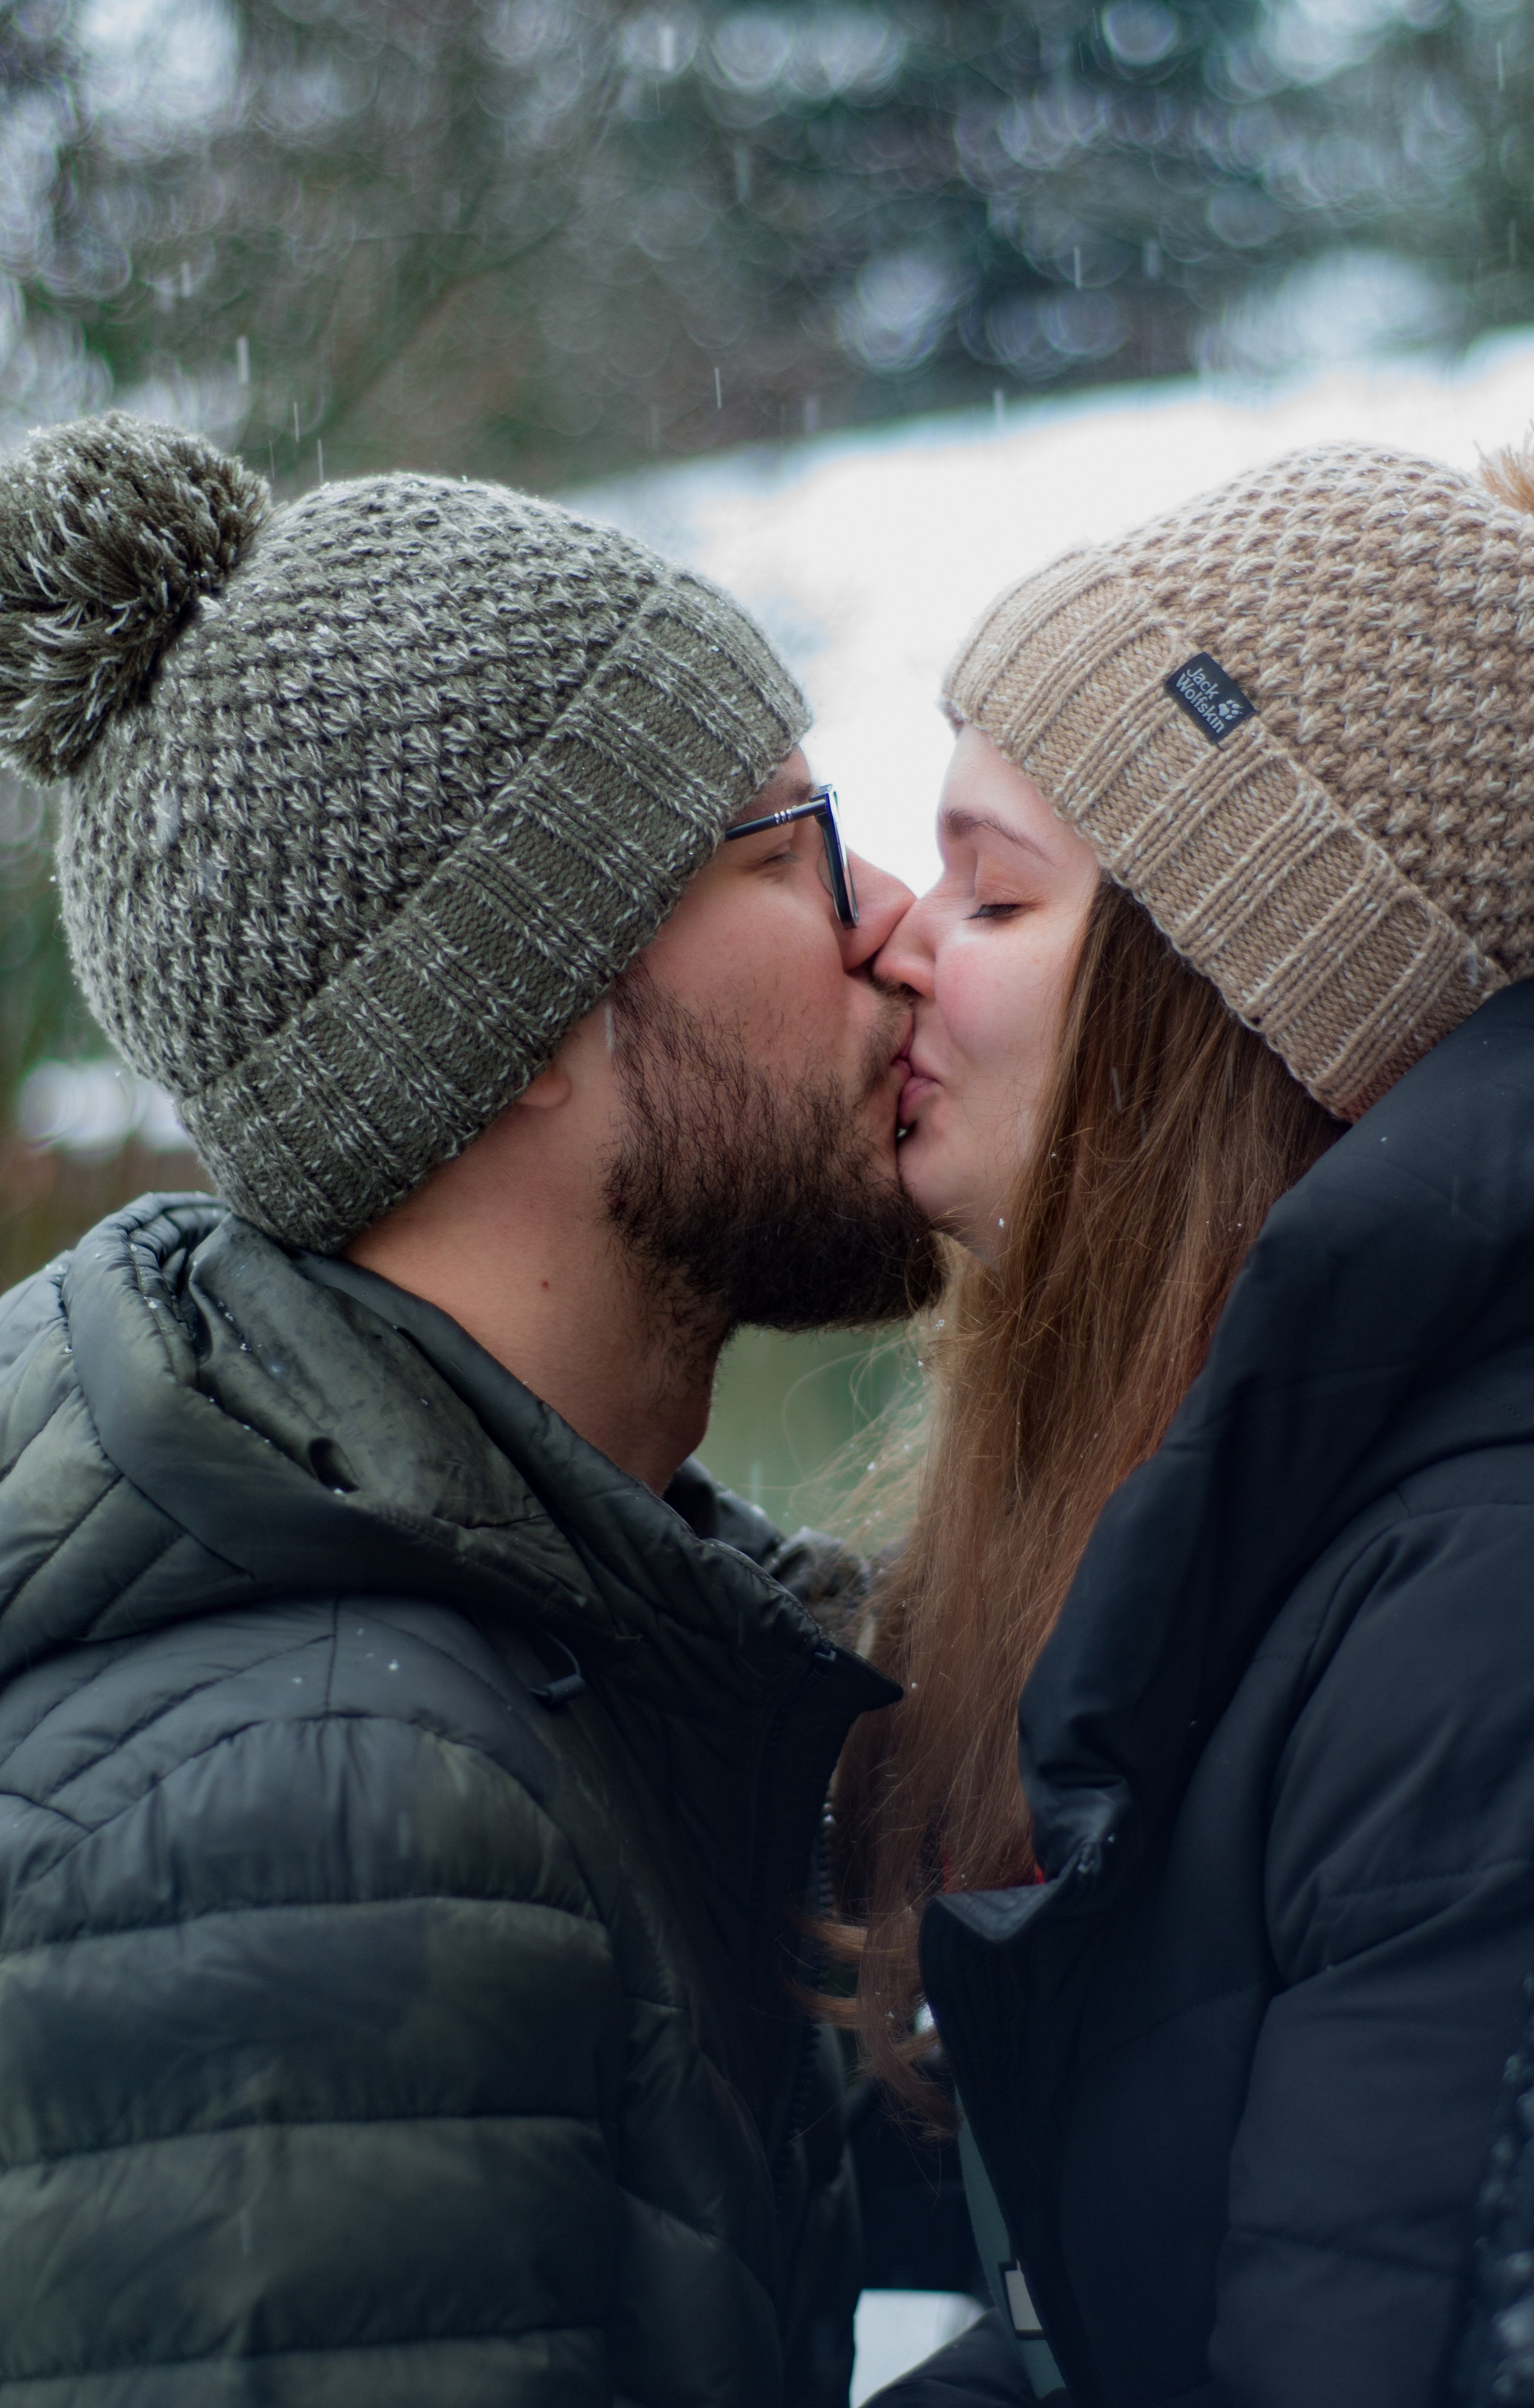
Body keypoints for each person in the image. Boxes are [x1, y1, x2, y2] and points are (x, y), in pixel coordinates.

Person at [0, 413, 942, 2404]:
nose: (896, 927)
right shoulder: (313, 1811)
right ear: (526, 1017)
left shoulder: (566, 1641)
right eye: (798, 850)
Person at [832, 406, 1534, 2406]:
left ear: (1252, 1012)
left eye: (995, 898)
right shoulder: (1264, 1507)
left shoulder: (1504, 1610)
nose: (895, 946)